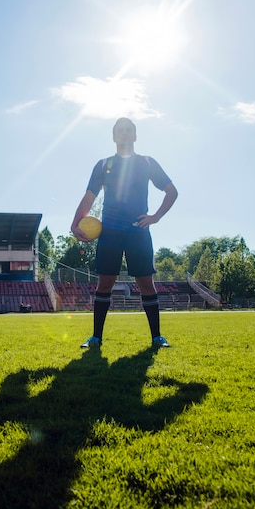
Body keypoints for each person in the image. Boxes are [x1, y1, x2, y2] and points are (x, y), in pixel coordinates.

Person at [71, 117, 178, 349]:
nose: (124, 133)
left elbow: (171, 191)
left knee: (146, 284)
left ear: (135, 136)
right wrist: (75, 223)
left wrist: (155, 217)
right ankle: (96, 338)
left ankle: (157, 337)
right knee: (104, 284)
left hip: (138, 232)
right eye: (120, 130)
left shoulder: (147, 162)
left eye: (128, 130)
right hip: (109, 232)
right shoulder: (103, 164)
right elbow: (90, 196)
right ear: (113, 137)